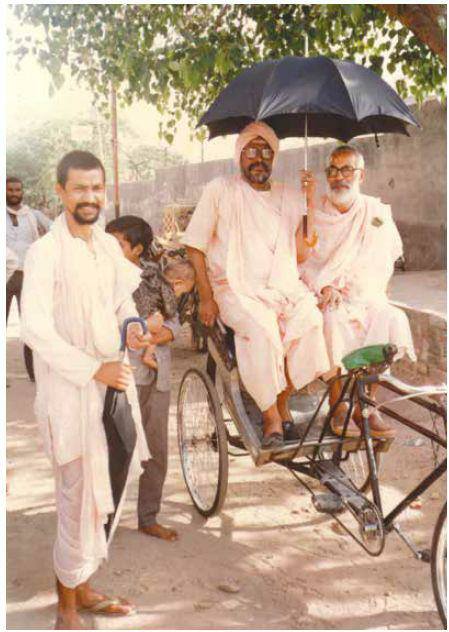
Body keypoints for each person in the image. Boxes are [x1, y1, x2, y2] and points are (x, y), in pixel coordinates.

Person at [21, 151, 151, 629]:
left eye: (96, 188)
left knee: (104, 491)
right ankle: (66, 608)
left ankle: (85, 586)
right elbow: (35, 329)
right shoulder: (45, 253)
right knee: (75, 498)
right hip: (69, 391)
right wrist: (94, 369)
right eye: (79, 188)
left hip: (111, 387)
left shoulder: (107, 247)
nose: (89, 197)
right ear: (61, 192)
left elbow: (121, 302)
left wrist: (132, 327)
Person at [182, 121, 330, 448]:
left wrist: (309, 202)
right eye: (251, 150)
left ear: (274, 157)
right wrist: (206, 298)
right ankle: (271, 416)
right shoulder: (221, 190)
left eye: (266, 151)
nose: (258, 158)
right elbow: (195, 246)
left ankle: (283, 401)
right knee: (263, 331)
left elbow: (301, 254)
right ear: (239, 155)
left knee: (310, 322)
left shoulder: (289, 196)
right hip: (234, 289)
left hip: (283, 287)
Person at [299, 144, 416, 439]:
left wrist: (362, 288)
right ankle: (339, 405)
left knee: (392, 319)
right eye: (333, 170)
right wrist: (326, 286)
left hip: (366, 294)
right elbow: (303, 262)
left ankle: (368, 404)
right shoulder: (314, 212)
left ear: (361, 176)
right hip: (327, 296)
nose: (339, 177)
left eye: (346, 170)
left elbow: (384, 257)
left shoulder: (375, 213)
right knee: (331, 319)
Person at [106, 215, 185, 542]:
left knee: (155, 449)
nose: (108, 249)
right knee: (114, 449)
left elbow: (174, 320)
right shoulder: (102, 279)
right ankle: (103, 522)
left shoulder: (154, 277)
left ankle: (148, 517)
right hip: (119, 376)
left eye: (117, 243)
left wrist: (157, 335)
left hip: (156, 375)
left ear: (137, 249)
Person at [6, 176, 52, 381]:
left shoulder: (32, 215)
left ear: (22, 191)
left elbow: (56, 229)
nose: (14, 193)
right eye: (10, 190)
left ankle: (35, 374)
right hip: (5, 277)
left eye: (17, 190)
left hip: (28, 277)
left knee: (31, 326)